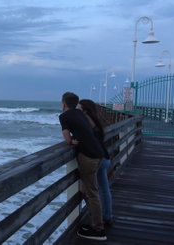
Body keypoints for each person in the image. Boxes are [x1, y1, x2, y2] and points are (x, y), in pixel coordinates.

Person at [59, 92, 106, 241]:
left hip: (88, 156)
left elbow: (67, 139)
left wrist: (72, 141)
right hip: (98, 153)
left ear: (63, 104)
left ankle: (98, 230)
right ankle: (94, 223)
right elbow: (93, 128)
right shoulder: (80, 113)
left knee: (91, 192)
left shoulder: (64, 116)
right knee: (87, 189)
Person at [79, 99, 113, 226]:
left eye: (79, 108)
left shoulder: (87, 120)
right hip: (104, 157)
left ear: (85, 110)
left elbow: (84, 137)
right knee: (104, 189)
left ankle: (97, 219)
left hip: (96, 158)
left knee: (91, 191)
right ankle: (107, 216)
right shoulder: (97, 121)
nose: (78, 111)